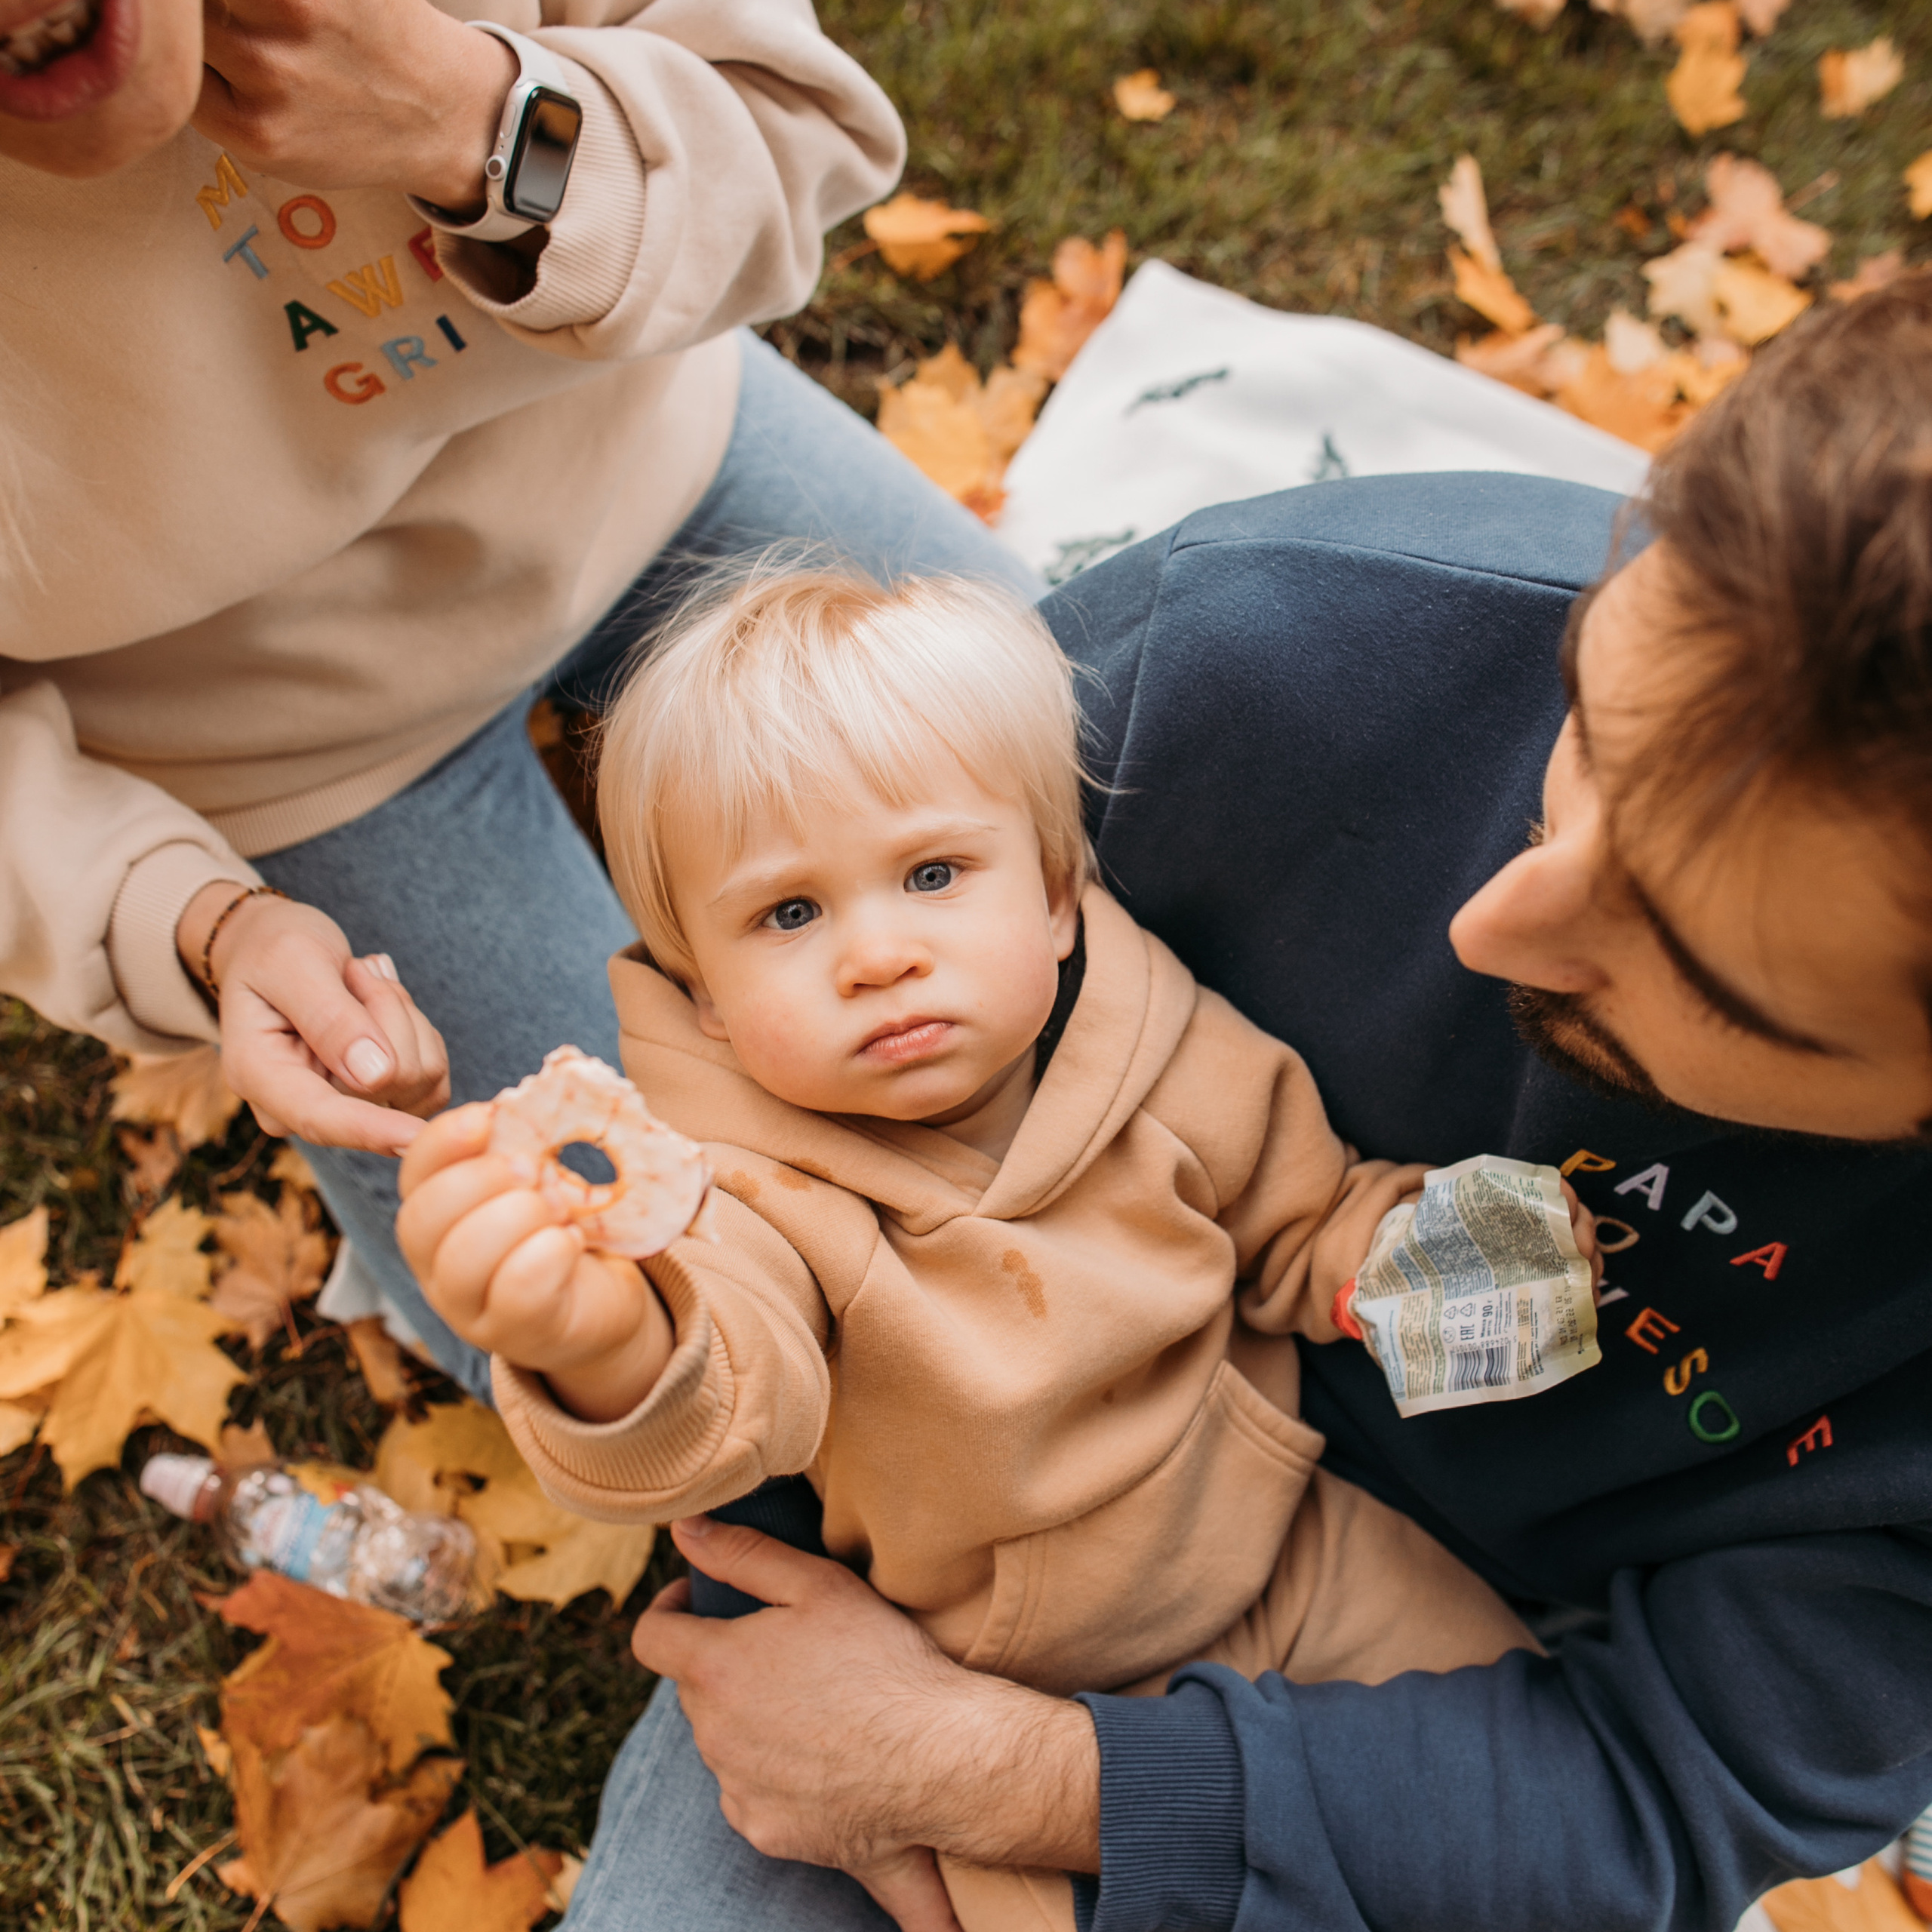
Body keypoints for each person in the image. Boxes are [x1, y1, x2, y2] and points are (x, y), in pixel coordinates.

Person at [556, 281, 1932, 1930]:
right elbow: (769, 1147)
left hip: (1479, 1705)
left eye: (1698, 966)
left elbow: (1646, 1800)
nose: (1492, 922)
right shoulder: (1258, 654)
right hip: (958, 1576)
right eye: (1582, 730)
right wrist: (827, 1655)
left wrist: (1015, 1775)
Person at [395, 565, 1606, 1927]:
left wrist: (1413, 1261)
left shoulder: (1162, 1053)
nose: (878, 954)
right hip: (986, 1679)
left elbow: (1299, 1212)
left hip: (1289, 1549)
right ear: (709, 1004)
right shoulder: (746, 1195)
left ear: (1050, 898)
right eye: (788, 915)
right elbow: (734, 1374)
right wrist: (605, 1339)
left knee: (1502, 1785)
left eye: (931, 874)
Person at [0, 0, 1038, 1400]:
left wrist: (484, 124)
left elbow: (793, 126)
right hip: (279, 750)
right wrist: (196, 921)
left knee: (1136, 841)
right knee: (635, 1311)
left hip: (654, 461)